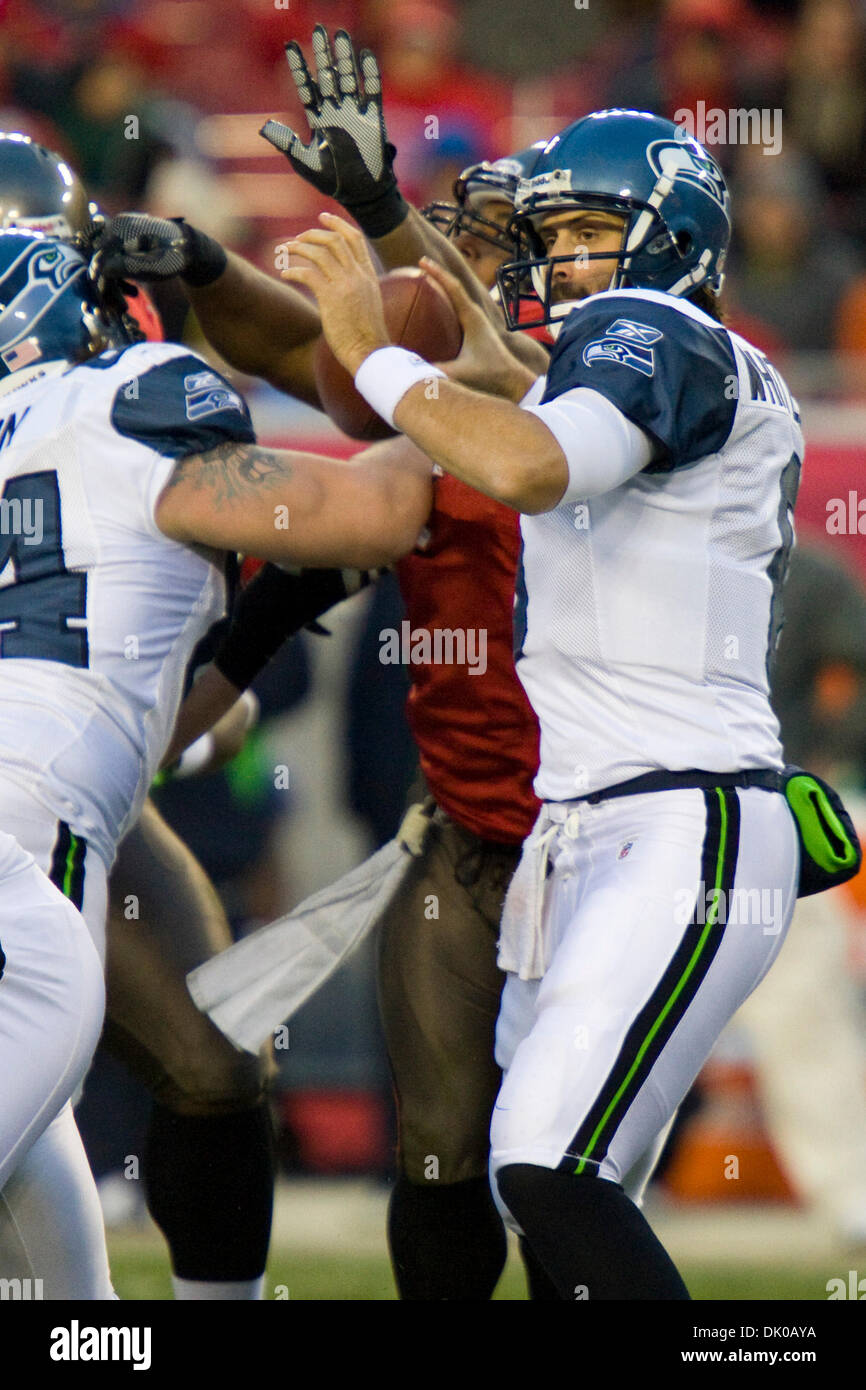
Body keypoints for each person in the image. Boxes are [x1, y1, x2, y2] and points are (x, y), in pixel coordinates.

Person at [282, 107, 806, 1299]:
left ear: (667, 237)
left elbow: (523, 460)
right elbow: (506, 380)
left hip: (676, 821)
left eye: (585, 231)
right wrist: (385, 219)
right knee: (555, 1198)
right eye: (549, 234)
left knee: (546, 1167)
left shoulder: (654, 327)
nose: (557, 259)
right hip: (601, 831)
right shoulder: (669, 352)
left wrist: (368, 342)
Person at [0, 226, 432, 1298]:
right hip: (26, 842)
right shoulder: (130, 404)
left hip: (56, 799)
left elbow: (149, 715)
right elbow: (380, 509)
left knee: (183, 1079)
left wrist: (256, 630)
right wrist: (443, 395)